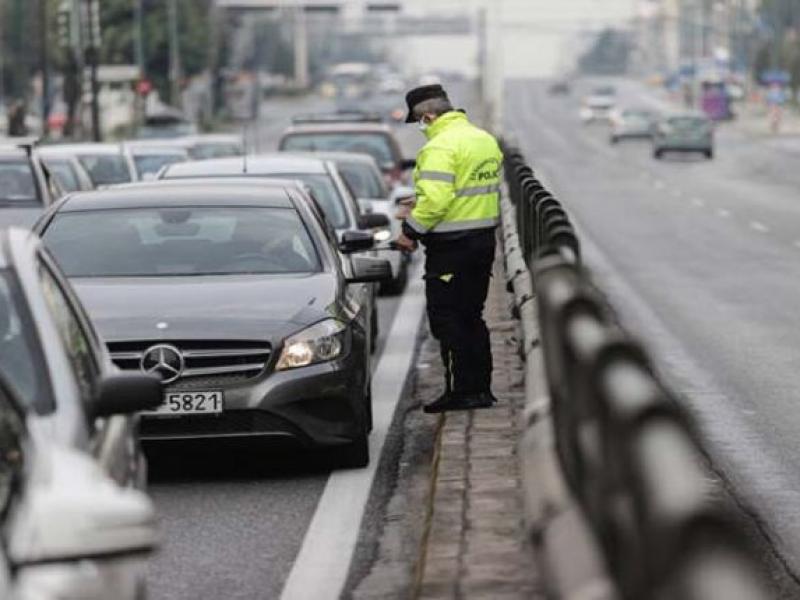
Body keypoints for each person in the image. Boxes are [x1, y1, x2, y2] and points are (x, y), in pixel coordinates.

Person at [394, 84, 503, 413]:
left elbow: (439, 200)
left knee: (447, 320)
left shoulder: (439, 147)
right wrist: (423, 200)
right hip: (482, 240)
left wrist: (409, 231)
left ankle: (460, 391)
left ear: (427, 115)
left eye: (419, 122)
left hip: (451, 249)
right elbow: (468, 188)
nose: (421, 129)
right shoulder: (483, 139)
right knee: (473, 317)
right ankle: (481, 389)